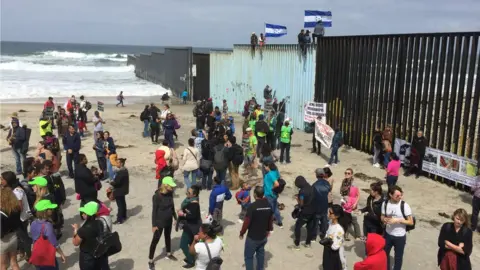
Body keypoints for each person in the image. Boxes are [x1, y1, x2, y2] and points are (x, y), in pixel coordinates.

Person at [239, 186, 273, 270]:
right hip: (263, 236)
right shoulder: (268, 205)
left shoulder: (252, 206)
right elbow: (270, 219)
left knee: (248, 257)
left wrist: (242, 233)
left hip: (252, 237)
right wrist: (269, 230)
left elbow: (246, 222)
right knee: (260, 254)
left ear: (255, 194)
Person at [381, 185, 414, 270]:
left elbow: (410, 222)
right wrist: (384, 219)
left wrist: (397, 220)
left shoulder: (404, 205)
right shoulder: (385, 203)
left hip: (400, 236)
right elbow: (382, 216)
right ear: (390, 195)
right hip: (388, 234)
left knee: (398, 258)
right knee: (384, 254)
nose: (400, 197)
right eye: (397, 196)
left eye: (401, 195)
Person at [1, 172, 32, 260]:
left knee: (24, 237)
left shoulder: (17, 191)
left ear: (8, 180)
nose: (1, 181)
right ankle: (21, 252)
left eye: (2, 179)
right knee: (19, 236)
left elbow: (19, 208)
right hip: (17, 219)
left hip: (20, 219)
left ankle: (29, 256)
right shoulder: (11, 189)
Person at [149, 178, 178, 269]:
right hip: (159, 222)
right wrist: (154, 225)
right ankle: (150, 260)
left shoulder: (170, 193)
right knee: (155, 241)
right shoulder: (157, 196)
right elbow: (154, 211)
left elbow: (172, 206)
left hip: (168, 220)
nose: (173, 187)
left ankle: (168, 253)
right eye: (171, 185)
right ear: (165, 185)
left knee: (167, 236)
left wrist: (175, 218)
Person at [72, 201, 110, 269]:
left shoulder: (83, 230)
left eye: (84, 212)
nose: (82, 214)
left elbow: (75, 242)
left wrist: (75, 230)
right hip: (99, 254)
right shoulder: (100, 222)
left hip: (88, 258)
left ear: (88, 214)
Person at [30, 200, 67, 270]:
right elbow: (54, 243)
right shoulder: (47, 226)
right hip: (47, 256)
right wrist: (62, 254)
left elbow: (34, 239)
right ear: (45, 211)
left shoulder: (33, 223)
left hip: (36, 255)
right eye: (50, 209)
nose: (52, 210)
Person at [179, 185, 202, 268]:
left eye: (189, 193)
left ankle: (191, 260)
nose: (186, 194)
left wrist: (183, 214)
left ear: (194, 195)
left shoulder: (194, 204)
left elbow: (193, 216)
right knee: (191, 243)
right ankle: (192, 256)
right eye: (187, 191)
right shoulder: (190, 201)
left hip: (191, 227)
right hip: (191, 226)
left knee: (183, 245)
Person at [292, 176, 316, 250]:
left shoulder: (302, 191)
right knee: (309, 227)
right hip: (313, 211)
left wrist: (297, 199)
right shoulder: (311, 187)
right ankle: (308, 243)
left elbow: (301, 204)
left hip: (305, 212)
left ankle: (297, 244)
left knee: (297, 227)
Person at [1, 187, 22, 270]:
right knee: (14, 262)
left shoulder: (1, 213)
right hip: (13, 237)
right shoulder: (16, 209)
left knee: (2, 265)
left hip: (3, 241)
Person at [322, 204, 346, 270]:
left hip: (333, 254)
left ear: (337, 216)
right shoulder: (330, 222)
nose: (328, 214)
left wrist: (328, 241)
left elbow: (335, 246)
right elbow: (327, 233)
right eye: (328, 211)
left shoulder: (339, 229)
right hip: (327, 250)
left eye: (330, 213)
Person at [340, 168, 361, 241]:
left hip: (352, 203)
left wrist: (355, 203)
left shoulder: (354, 183)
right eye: (345, 173)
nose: (346, 174)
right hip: (345, 203)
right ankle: (346, 234)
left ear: (351, 174)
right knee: (345, 219)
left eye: (348, 173)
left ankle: (358, 235)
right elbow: (342, 192)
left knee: (354, 220)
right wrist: (343, 199)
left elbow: (358, 195)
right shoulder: (344, 181)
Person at [109, 157, 129, 224]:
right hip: (123, 190)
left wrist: (111, 182)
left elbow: (116, 183)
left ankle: (119, 220)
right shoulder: (125, 170)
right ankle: (124, 216)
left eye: (118, 163)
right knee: (123, 203)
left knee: (120, 205)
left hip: (119, 191)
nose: (116, 164)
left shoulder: (121, 172)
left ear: (121, 163)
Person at [312, 168, 330, 240]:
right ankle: (323, 235)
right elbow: (329, 190)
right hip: (325, 204)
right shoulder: (327, 183)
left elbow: (312, 195)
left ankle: (313, 237)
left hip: (316, 205)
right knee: (324, 220)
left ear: (317, 175)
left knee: (315, 222)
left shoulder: (314, 185)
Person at [263, 162, 283, 228]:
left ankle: (279, 222)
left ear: (268, 167)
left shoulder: (270, 174)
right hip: (274, 194)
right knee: (274, 206)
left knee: (273, 208)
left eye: (265, 167)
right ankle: (275, 219)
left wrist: (272, 188)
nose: (264, 168)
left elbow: (276, 184)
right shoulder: (275, 172)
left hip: (269, 194)